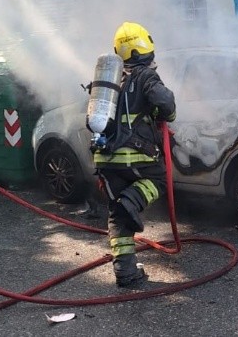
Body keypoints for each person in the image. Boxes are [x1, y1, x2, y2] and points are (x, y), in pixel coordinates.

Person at [92, 22, 176, 288]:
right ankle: (133, 199)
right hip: (135, 156)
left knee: (118, 216)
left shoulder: (109, 80)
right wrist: (168, 114)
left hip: (104, 158)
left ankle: (125, 272)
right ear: (146, 46)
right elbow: (166, 105)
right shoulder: (146, 76)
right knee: (159, 180)